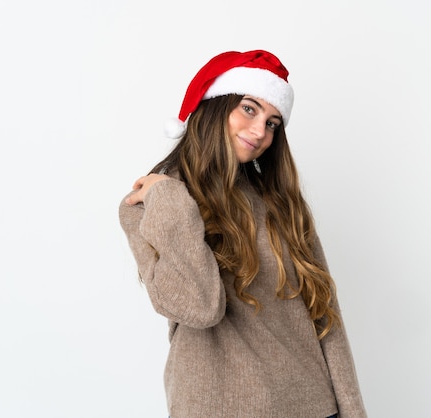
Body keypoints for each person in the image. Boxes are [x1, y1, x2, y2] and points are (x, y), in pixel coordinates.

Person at [119, 50, 367, 418]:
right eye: (249, 109)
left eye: (273, 123)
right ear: (216, 105)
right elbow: (200, 307)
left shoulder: (281, 203)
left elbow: (324, 315)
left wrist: (353, 411)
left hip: (312, 406)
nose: (260, 132)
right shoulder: (147, 207)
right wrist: (172, 202)